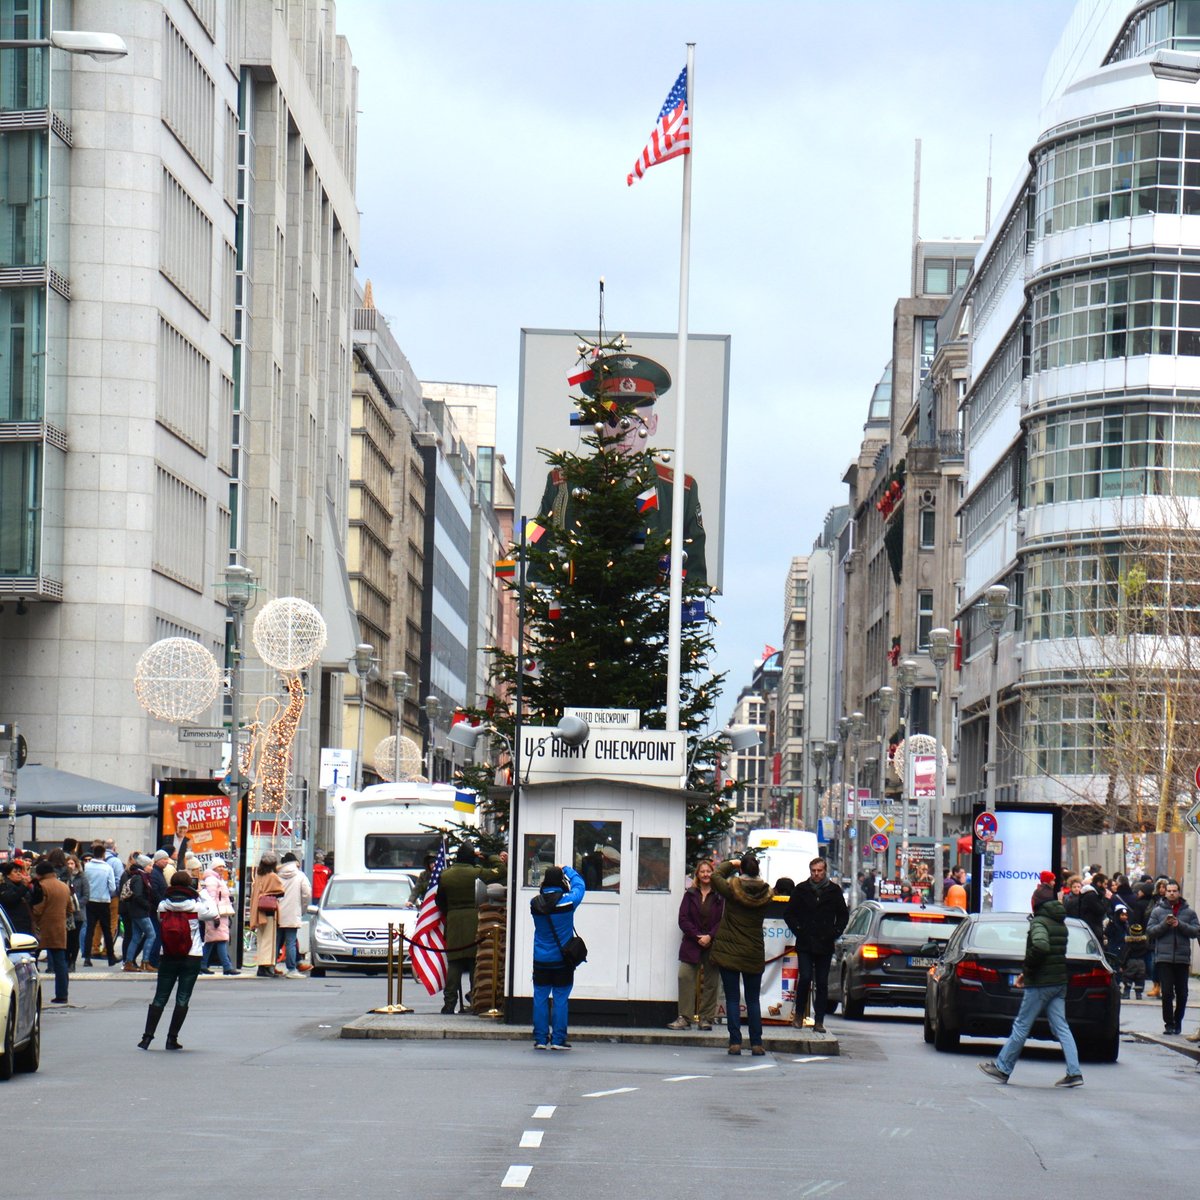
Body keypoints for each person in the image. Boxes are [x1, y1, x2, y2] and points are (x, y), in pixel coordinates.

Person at [537, 352, 708, 586]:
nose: (625, 431)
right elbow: (537, 560)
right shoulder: (563, 485)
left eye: (637, 420)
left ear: (654, 424)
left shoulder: (680, 492)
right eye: (613, 419)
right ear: (597, 422)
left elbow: (695, 575)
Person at [979, 877, 1083, 1088]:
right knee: (1061, 1027)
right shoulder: (1059, 922)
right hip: (1058, 981)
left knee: (1021, 1025)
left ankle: (1002, 1068)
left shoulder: (1039, 922)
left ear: (1036, 903)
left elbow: (1040, 946)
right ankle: (1074, 1072)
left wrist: (1027, 972)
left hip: (1040, 982)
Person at [137, 870, 218, 1050]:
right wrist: (203, 893)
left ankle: (147, 1038)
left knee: (160, 996)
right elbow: (213, 912)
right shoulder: (197, 907)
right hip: (192, 955)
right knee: (182, 998)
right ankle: (171, 1038)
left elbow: (160, 920)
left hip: (167, 954)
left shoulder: (163, 906)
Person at [710, 852, 775, 1055]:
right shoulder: (766, 894)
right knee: (753, 999)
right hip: (753, 951)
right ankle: (756, 1043)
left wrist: (731, 863)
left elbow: (715, 876)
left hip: (730, 950)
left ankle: (735, 1042)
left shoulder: (732, 889)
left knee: (732, 998)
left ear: (741, 869)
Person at [436, 842, 507, 1014]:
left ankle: (449, 1003)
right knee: (475, 962)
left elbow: (439, 900)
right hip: (474, 920)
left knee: (454, 963)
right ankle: (477, 1001)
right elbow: (501, 870)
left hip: (453, 920)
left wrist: (450, 912)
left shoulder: (445, 875)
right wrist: (489, 855)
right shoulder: (477, 873)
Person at [784, 857, 849, 1035]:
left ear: (825, 870)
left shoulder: (834, 891)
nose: (816, 874)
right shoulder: (801, 889)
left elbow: (843, 915)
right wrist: (798, 929)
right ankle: (798, 1015)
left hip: (825, 942)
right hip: (805, 941)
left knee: (822, 983)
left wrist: (835, 932)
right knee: (805, 978)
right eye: (813, 871)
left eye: (819, 871)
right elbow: (789, 914)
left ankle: (819, 1020)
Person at [529, 864, 585, 1050]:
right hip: (562, 960)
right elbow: (580, 886)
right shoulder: (568, 902)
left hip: (541, 959)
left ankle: (540, 1039)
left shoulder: (535, 903)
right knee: (560, 998)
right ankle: (558, 1040)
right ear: (561, 881)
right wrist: (568, 870)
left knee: (540, 997)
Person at [669, 858, 725, 1031]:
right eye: (703, 871)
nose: (706, 874)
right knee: (684, 976)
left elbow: (723, 919)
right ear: (698, 875)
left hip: (713, 943)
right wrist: (697, 936)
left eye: (708, 871)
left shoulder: (719, 896)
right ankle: (685, 1017)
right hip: (692, 943)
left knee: (711, 982)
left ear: (713, 873)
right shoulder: (690, 894)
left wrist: (710, 936)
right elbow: (683, 919)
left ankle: (706, 1018)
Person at [1146, 878, 1200, 1036]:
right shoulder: (1157, 911)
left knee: (1182, 993)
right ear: (1165, 892)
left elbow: (1195, 931)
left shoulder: (1189, 912)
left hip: (1182, 958)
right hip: (1164, 958)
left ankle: (1178, 1021)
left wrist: (1180, 925)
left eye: (1174, 891)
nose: (1171, 893)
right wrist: (1165, 924)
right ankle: (1169, 1024)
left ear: (1179, 892)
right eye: (1169, 891)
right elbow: (1150, 931)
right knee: (1167, 993)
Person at [30, 860, 72, 1004]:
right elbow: (70, 908)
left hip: (41, 927)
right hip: (59, 928)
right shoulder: (63, 886)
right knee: (60, 963)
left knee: (31, 961)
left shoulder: (41, 886)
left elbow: (38, 908)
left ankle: (31, 994)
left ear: (40, 873)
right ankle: (62, 994)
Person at [276, 851, 312, 978]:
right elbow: (307, 894)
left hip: (278, 912)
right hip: (293, 912)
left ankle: (271, 965)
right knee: (291, 941)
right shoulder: (300, 876)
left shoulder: (277, 875)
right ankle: (291, 969)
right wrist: (302, 909)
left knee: (277, 940)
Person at [199, 859, 239, 976]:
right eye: (219, 866)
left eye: (223, 866)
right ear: (214, 868)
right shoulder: (212, 880)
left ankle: (202, 965)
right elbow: (211, 899)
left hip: (219, 914)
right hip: (217, 914)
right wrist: (215, 915)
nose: (222, 868)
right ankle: (227, 967)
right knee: (221, 940)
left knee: (211, 941)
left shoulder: (217, 879)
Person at [82, 842, 118, 966]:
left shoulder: (87, 867)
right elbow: (112, 887)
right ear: (103, 854)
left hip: (90, 900)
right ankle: (110, 957)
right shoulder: (107, 868)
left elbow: (84, 883)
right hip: (103, 901)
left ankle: (87, 957)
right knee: (107, 930)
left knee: (90, 929)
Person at [249, 854, 285, 978]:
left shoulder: (259, 876)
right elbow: (280, 892)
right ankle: (267, 966)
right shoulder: (273, 876)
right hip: (269, 911)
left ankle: (261, 966)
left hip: (259, 910)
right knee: (269, 941)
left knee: (261, 939)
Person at [121, 854, 156, 971]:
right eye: (150, 865)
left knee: (136, 937)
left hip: (135, 911)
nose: (152, 868)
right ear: (144, 866)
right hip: (140, 912)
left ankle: (129, 962)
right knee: (151, 935)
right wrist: (148, 906)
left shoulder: (137, 876)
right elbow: (138, 896)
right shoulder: (140, 878)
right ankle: (145, 962)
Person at [64, 853, 88, 970]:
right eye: (68, 863)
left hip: (78, 913)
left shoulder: (82, 877)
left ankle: (72, 961)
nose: (70, 866)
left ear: (76, 864)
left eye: (72, 863)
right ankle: (67, 959)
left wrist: (76, 905)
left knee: (74, 938)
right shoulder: (63, 877)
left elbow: (86, 895)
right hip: (65, 913)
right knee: (66, 938)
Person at [0, 859, 35, 935]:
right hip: (14, 923)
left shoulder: (22, 885)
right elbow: (10, 899)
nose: (19, 874)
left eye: (19, 871)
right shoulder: (4, 886)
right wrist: (24, 886)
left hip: (26, 922)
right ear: (8, 875)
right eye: (15, 872)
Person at [1121, 922, 1149, 1000]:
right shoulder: (1144, 943)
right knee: (1140, 978)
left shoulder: (1129, 943)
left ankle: (1126, 993)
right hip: (1141, 962)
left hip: (1131, 962)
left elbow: (1125, 954)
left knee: (1128, 977)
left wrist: (1122, 964)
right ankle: (1138, 994)